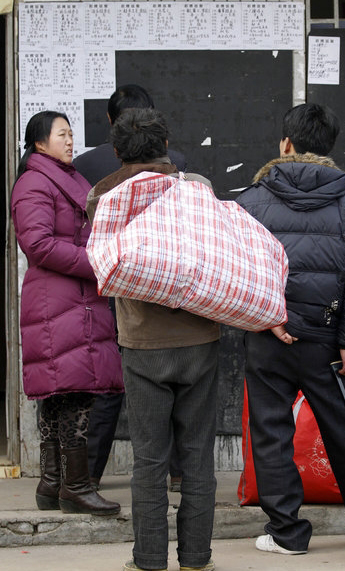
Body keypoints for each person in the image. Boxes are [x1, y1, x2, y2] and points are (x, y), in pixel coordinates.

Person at [236, 103, 345, 555]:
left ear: (285, 145)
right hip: (326, 341)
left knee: (271, 432)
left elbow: (237, 272)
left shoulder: (250, 199)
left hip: (268, 336)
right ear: (329, 148)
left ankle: (287, 534)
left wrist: (265, 318)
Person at [86, 107, 219, 571]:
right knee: (198, 455)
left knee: (149, 459)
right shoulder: (197, 188)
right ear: (166, 145)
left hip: (142, 344)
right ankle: (197, 560)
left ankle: (149, 561)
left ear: (117, 150)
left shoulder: (103, 195)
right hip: (200, 338)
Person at [11, 110, 124, 515]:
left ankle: (52, 483)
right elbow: (38, 244)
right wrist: (94, 261)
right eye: (62, 135)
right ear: (40, 142)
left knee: (62, 392)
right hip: (57, 298)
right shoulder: (34, 183)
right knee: (72, 391)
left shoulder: (65, 178)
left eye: (72, 134)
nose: (70, 141)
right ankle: (75, 485)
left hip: (72, 297)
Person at [74, 84, 186, 491]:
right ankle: (178, 473)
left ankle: (88, 474)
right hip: (170, 291)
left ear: (110, 123)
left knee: (107, 386)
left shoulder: (85, 167)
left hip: (106, 290)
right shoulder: (182, 167)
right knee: (175, 387)